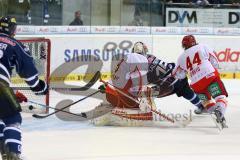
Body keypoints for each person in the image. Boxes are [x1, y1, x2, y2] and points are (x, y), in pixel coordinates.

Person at [0, 16, 48, 159]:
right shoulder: (14, 44)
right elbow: (30, 76)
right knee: (13, 118)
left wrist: (13, 93)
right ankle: (13, 153)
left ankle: (4, 148)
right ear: (12, 29)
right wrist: (40, 87)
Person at [173, 35, 228, 128]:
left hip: (196, 84)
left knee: (207, 103)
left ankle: (218, 116)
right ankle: (219, 112)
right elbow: (214, 59)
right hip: (210, 77)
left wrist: (188, 71)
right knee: (220, 97)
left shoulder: (181, 58)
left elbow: (177, 74)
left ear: (183, 45)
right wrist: (214, 68)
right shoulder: (203, 46)